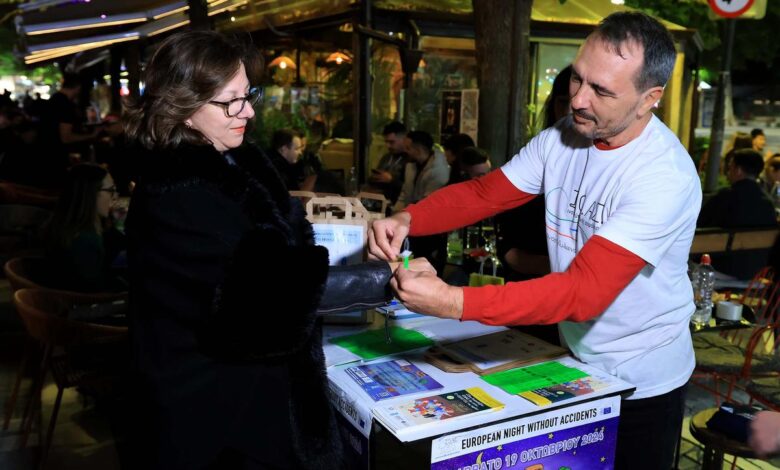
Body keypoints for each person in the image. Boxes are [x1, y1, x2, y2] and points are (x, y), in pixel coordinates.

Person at [369, 12, 698, 469]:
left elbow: (581, 293)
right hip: (574, 356)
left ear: (650, 99)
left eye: (601, 91)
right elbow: (488, 193)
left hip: (643, 377)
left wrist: (453, 301)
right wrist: (410, 217)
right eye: (577, 79)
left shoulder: (663, 177)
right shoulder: (563, 137)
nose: (578, 99)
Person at [123, 30, 432, 469]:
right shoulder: (177, 192)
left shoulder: (233, 159)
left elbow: (279, 252)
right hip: (209, 410)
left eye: (248, 94)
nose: (247, 110)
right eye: (230, 101)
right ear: (183, 107)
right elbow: (263, 294)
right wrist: (389, 280)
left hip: (248, 387)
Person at [45, 163, 126, 292]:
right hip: (86, 305)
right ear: (91, 193)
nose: (115, 196)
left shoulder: (67, 226)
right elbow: (93, 291)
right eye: (111, 190)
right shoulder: (83, 241)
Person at [393, 130, 450, 273]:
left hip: (429, 225)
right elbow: (405, 193)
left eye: (408, 148)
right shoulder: (410, 166)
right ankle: (404, 271)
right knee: (405, 252)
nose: (405, 151)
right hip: (409, 219)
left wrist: (406, 216)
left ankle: (417, 277)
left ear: (417, 149)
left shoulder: (439, 171)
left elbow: (430, 203)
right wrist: (396, 214)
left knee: (420, 257)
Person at [698, 149, 776, 229]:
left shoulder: (725, 197)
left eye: (730, 168)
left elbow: (700, 223)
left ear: (738, 170)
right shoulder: (767, 203)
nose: (728, 173)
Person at [368, 121, 408, 205]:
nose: (388, 146)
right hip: (380, 201)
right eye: (386, 142)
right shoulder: (387, 157)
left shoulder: (410, 160)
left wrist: (392, 180)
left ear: (404, 139)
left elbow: (411, 190)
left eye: (392, 142)